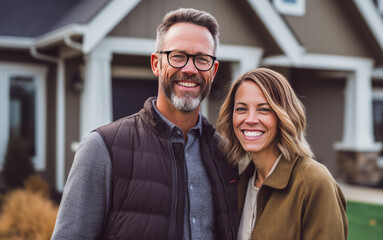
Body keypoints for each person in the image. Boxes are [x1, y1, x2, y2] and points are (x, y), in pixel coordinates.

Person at [51, 8, 239, 240]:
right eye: (178, 56)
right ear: (156, 64)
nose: (190, 69)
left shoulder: (227, 157)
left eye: (202, 59)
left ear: (213, 70)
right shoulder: (102, 148)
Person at [216, 68, 348, 240]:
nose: (250, 119)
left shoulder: (314, 181)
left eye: (263, 109)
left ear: (284, 115)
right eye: (241, 109)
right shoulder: (239, 183)